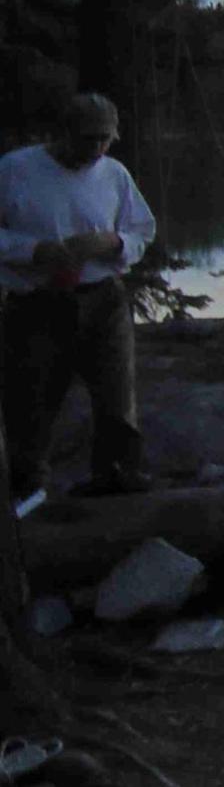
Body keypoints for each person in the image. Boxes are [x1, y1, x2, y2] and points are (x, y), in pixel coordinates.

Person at [1, 92, 157, 500]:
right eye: (88, 139)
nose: (97, 148)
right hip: (37, 302)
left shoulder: (114, 174)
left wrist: (113, 241)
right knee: (30, 404)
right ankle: (26, 491)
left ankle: (117, 479)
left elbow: (142, 231)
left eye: (105, 138)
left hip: (103, 298)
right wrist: (34, 251)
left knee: (117, 399)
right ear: (63, 133)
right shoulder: (16, 169)